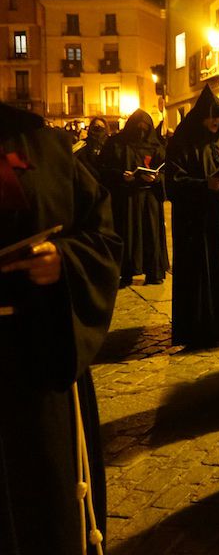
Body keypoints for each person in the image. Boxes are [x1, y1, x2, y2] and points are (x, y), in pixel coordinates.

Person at [0, 102, 121, 554]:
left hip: (39, 351)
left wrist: (63, 262)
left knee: (45, 500)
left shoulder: (44, 145)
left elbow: (102, 234)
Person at [165, 85, 219, 348]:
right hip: (196, 221)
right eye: (210, 116)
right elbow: (173, 183)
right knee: (201, 272)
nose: (215, 121)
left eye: (218, 116)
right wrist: (203, 185)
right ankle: (199, 328)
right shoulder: (182, 144)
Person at [99, 108, 169, 287]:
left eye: (145, 127)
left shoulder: (157, 146)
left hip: (149, 198)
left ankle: (154, 272)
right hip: (127, 198)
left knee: (150, 234)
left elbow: (166, 170)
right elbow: (103, 169)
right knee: (128, 234)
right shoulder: (116, 144)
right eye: (137, 127)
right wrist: (121, 176)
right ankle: (127, 272)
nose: (141, 131)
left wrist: (156, 178)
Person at [75, 117, 108, 181]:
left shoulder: (109, 143)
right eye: (96, 126)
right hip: (89, 179)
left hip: (106, 179)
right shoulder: (83, 144)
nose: (98, 128)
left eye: (101, 126)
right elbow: (83, 162)